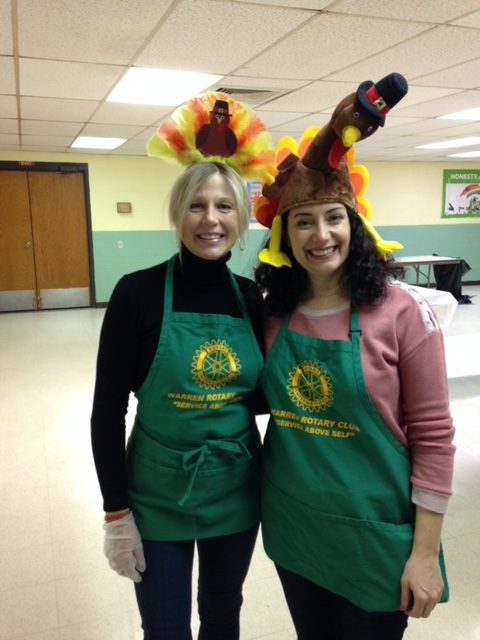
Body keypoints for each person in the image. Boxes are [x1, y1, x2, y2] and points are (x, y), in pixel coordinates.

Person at [253, 74, 456, 639]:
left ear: (355, 223)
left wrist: (424, 553)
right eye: (303, 221)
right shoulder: (273, 314)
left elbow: (434, 436)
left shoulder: (402, 312)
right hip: (296, 529)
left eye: (333, 217)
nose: (320, 234)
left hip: (376, 538)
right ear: (284, 234)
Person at [91, 92, 275, 640]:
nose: (210, 220)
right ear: (178, 214)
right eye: (197, 205)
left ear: (240, 218)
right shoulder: (137, 294)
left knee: (222, 613)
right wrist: (116, 513)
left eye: (224, 207)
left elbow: (263, 397)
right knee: (165, 625)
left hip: (236, 491)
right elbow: (106, 412)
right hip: (157, 494)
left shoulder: (253, 298)